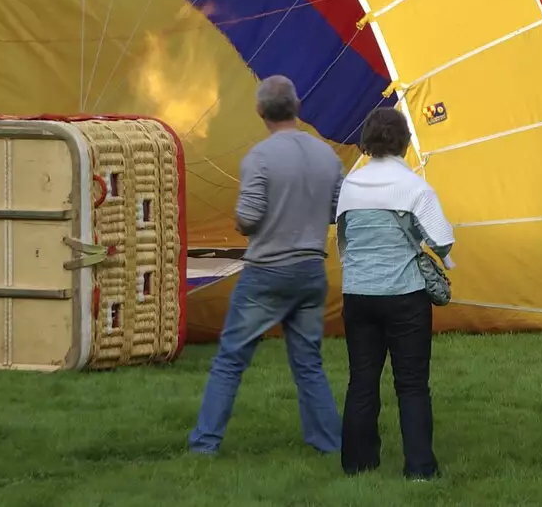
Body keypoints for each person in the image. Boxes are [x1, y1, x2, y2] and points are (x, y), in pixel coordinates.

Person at [189, 76, 346, 456]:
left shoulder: (259, 157)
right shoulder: (327, 156)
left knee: (230, 361)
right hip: (311, 270)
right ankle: (332, 444)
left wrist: (242, 223)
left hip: (267, 272)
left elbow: (250, 216)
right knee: (308, 363)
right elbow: (336, 210)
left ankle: (205, 445)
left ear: (260, 112)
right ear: (298, 107)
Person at [335, 107, 454, 480]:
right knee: (413, 384)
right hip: (404, 295)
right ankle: (419, 468)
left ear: (367, 140)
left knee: (362, 380)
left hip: (358, 293)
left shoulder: (350, 186)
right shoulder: (415, 187)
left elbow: (343, 240)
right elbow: (443, 240)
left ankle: (357, 464)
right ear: (404, 142)